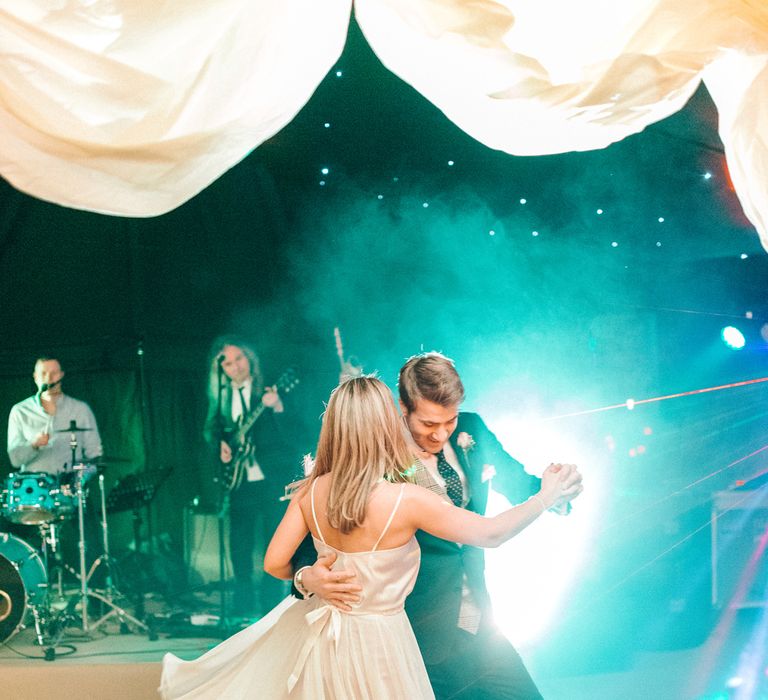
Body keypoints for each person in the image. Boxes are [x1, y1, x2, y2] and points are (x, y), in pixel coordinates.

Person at [160, 376, 582, 699]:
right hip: (389, 643)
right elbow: (490, 533)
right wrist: (545, 498)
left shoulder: (312, 490)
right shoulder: (407, 500)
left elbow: (273, 562)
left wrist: (308, 578)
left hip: (328, 641)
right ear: (386, 423)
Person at [296, 352, 576, 699]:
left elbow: (524, 486)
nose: (441, 433)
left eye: (450, 421)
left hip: (480, 626)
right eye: (428, 424)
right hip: (414, 634)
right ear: (403, 407)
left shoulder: (473, 428)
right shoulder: (373, 451)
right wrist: (307, 576)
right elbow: (316, 532)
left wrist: (559, 492)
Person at [203, 335, 294, 618]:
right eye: (228, 363)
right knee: (239, 544)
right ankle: (242, 605)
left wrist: (278, 406)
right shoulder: (220, 397)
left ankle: (271, 608)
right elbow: (212, 430)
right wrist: (221, 446)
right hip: (239, 481)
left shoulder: (266, 390)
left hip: (270, 478)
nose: (235, 366)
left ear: (249, 359)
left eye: (239, 359)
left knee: (272, 542)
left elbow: (294, 430)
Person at [7, 356, 102, 475]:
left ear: (62, 375)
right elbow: (15, 460)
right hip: (34, 489)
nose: (49, 378)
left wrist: (79, 479)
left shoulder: (80, 409)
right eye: (43, 373)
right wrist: (34, 444)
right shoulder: (20, 411)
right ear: (35, 377)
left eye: (54, 373)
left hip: (69, 489)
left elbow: (95, 456)